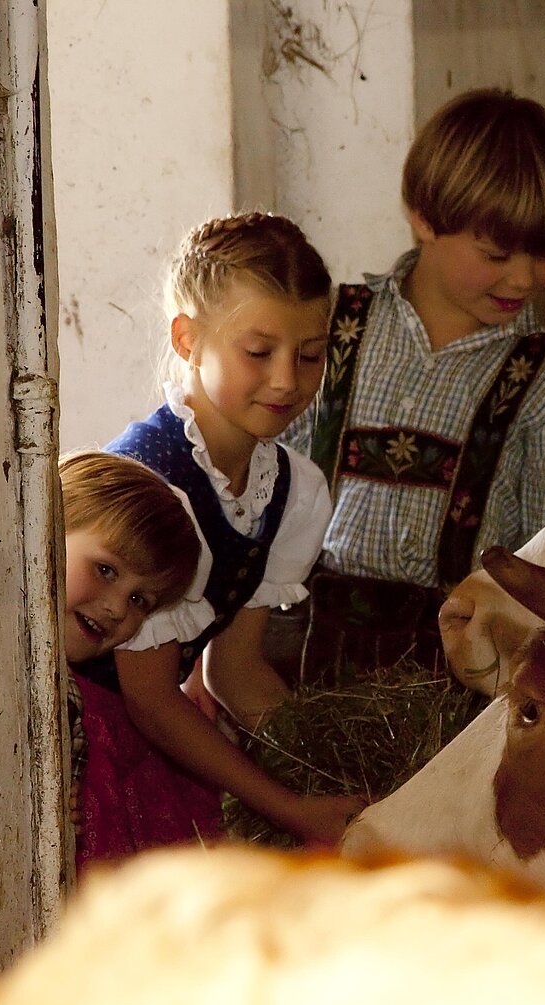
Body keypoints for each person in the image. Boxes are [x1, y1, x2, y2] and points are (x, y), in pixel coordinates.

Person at [284, 87, 545, 679]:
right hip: (297, 660)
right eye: (497, 252)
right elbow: (253, 487)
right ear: (424, 219)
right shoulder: (324, 329)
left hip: (458, 682)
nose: (525, 277)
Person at [73, 211, 363, 847]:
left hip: (159, 736)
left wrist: (329, 766)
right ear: (188, 340)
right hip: (84, 744)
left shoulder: (292, 490)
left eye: (310, 355)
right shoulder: (155, 485)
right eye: (258, 352)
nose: (287, 380)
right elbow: (150, 700)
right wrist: (289, 807)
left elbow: (233, 671)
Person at [59, 450, 214, 871]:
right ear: (45, 526)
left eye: (139, 600)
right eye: (106, 570)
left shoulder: (71, 697)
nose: (115, 609)